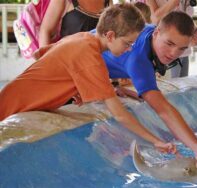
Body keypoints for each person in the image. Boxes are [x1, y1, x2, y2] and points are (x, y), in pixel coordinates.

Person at [0, 4, 176, 154]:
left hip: (9, 97)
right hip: (11, 109)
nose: (130, 49)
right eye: (128, 43)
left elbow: (43, 54)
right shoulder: (91, 57)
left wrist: (75, 86)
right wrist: (155, 141)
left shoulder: (82, 38)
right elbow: (120, 115)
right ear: (110, 36)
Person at [98, 11, 197, 174]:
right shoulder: (138, 61)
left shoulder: (154, 32)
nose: (173, 53)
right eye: (169, 44)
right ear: (156, 33)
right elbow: (164, 110)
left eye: (182, 48)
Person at [144, 0, 197, 78]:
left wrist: (196, 30)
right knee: (169, 86)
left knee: (183, 87)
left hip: (183, 50)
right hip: (165, 53)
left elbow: (183, 19)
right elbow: (155, 19)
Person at [39, 0, 112, 47]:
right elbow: (45, 31)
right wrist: (46, 65)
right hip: (65, 64)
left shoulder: (108, 2)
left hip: (93, 66)